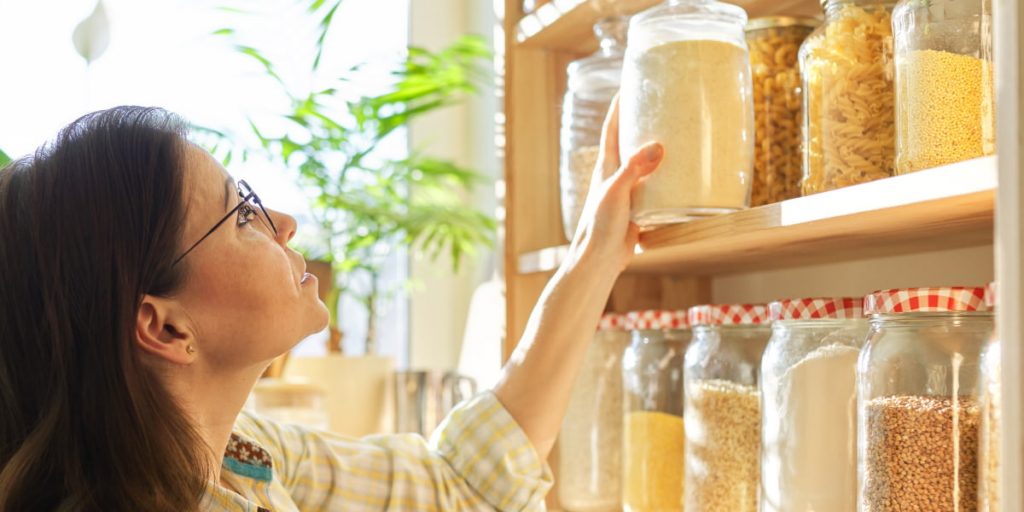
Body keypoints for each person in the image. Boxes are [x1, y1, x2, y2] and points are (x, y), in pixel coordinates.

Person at [0, 103, 663, 511]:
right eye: (241, 215)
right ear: (166, 326)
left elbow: (460, 486)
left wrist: (594, 254)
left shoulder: (244, 459)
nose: (283, 222)